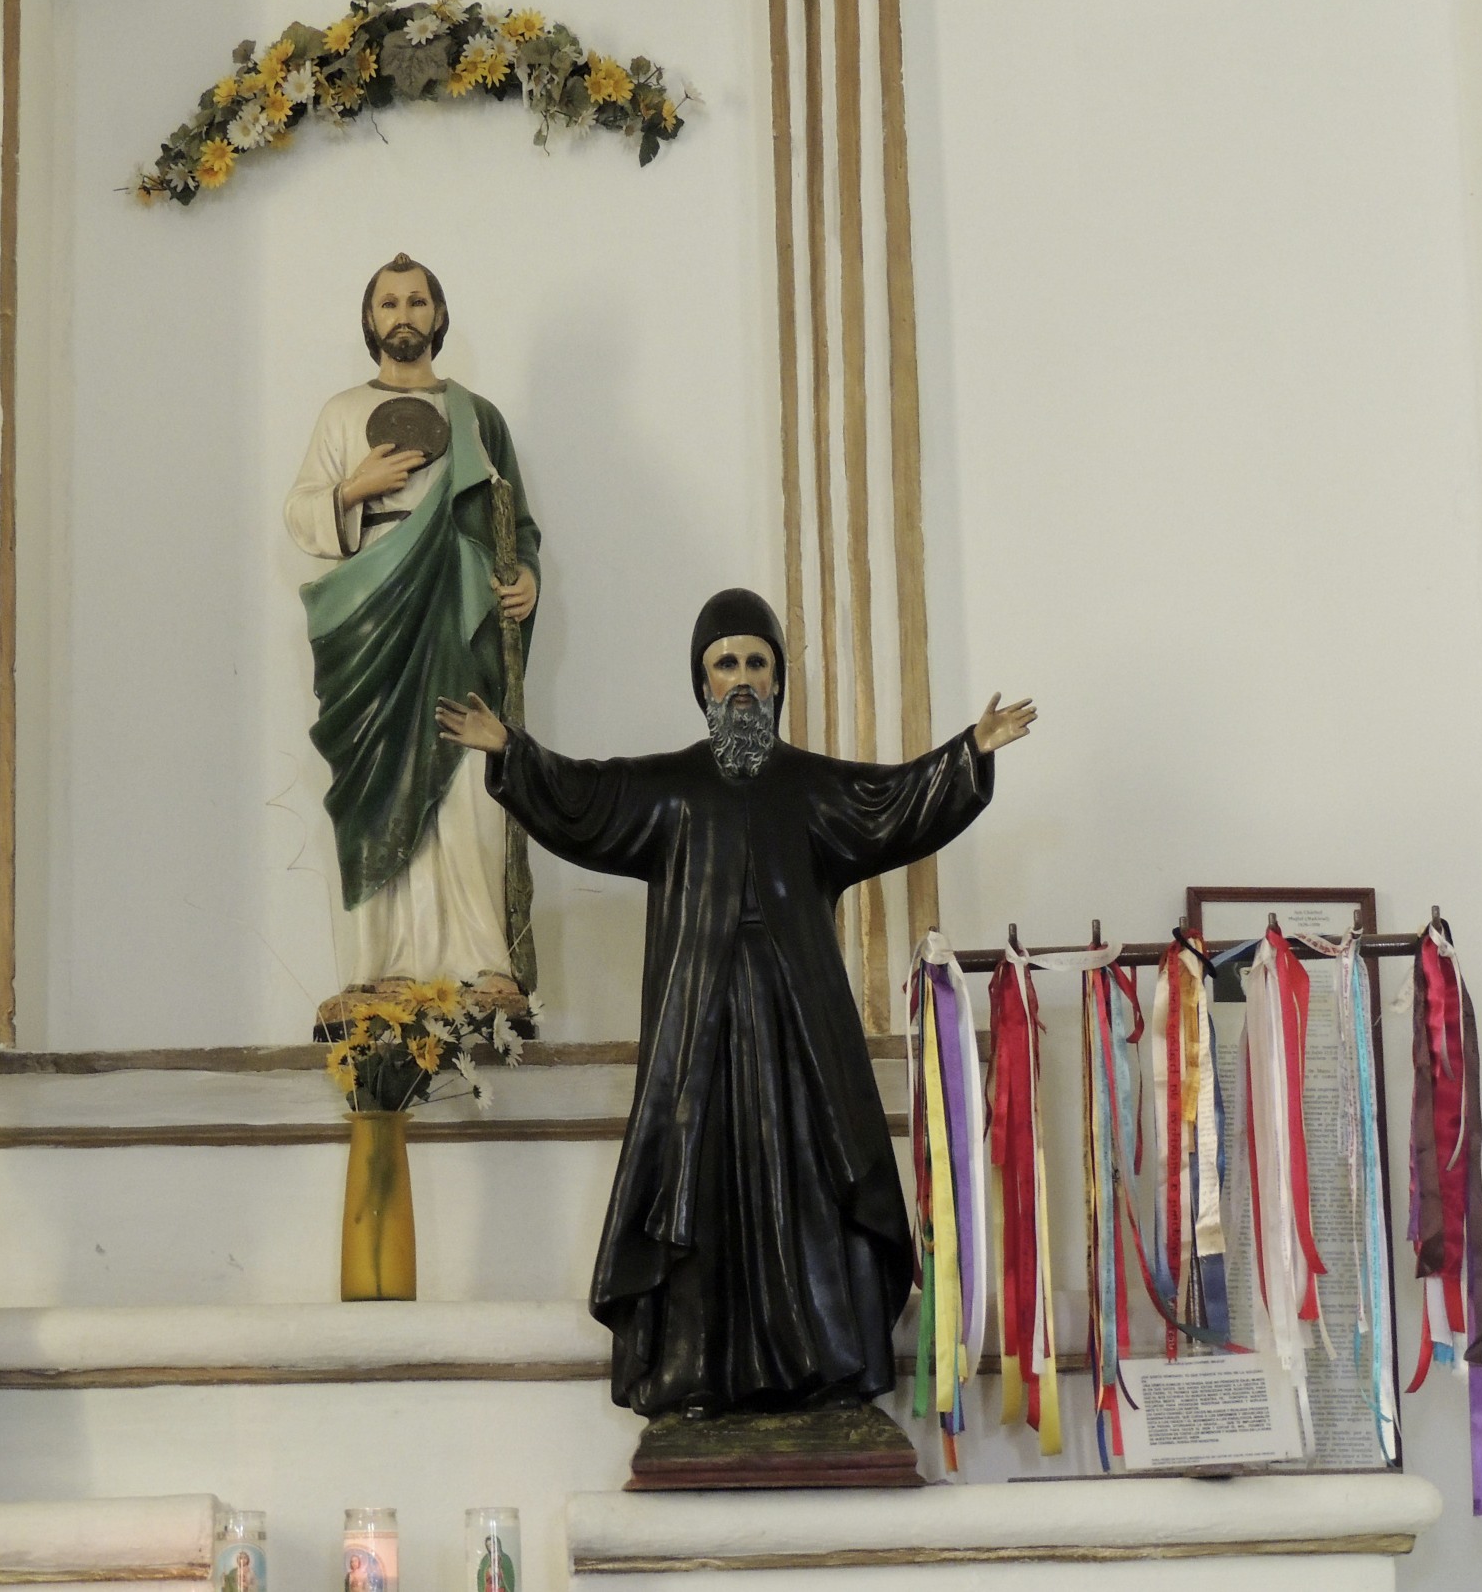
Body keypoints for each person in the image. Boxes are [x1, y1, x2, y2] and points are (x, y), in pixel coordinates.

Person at [437, 588, 1036, 1418]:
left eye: (757, 662)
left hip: (801, 1025)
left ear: (777, 680)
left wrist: (967, 754)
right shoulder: (669, 789)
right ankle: (696, 1374)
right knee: (697, 1185)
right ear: (702, 683)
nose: (743, 678)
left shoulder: (812, 787)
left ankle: (830, 1364)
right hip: (699, 1027)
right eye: (727, 664)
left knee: (816, 1182)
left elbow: (893, 801)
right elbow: (585, 798)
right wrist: (512, 752)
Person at [285, 253, 540, 1011]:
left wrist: (527, 576)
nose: (404, 314)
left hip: (459, 614)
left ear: (438, 315)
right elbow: (299, 511)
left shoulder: (478, 415)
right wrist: (353, 488)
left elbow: (518, 524)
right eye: (389, 302)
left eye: (417, 300)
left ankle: (482, 959)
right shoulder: (340, 413)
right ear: (370, 320)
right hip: (371, 619)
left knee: (465, 780)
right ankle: (384, 961)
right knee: (380, 778)